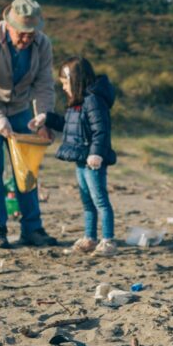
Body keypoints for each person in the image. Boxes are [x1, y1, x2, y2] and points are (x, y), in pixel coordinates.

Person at [0, 0, 59, 249]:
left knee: (27, 169)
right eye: (21, 34)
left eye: (31, 34)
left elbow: (44, 85)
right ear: (8, 24)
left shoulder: (43, 45)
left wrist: (43, 119)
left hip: (19, 109)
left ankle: (32, 228)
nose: (26, 38)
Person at [29, 57, 118, 257]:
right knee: (87, 201)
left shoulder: (93, 101)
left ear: (77, 81)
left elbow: (101, 130)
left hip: (92, 161)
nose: (64, 88)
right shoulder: (76, 104)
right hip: (80, 160)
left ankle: (108, 240)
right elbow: (68, 126)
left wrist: (96, 153)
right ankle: (90, 237)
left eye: (66, 83)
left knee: (100, 200)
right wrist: (46, 118)